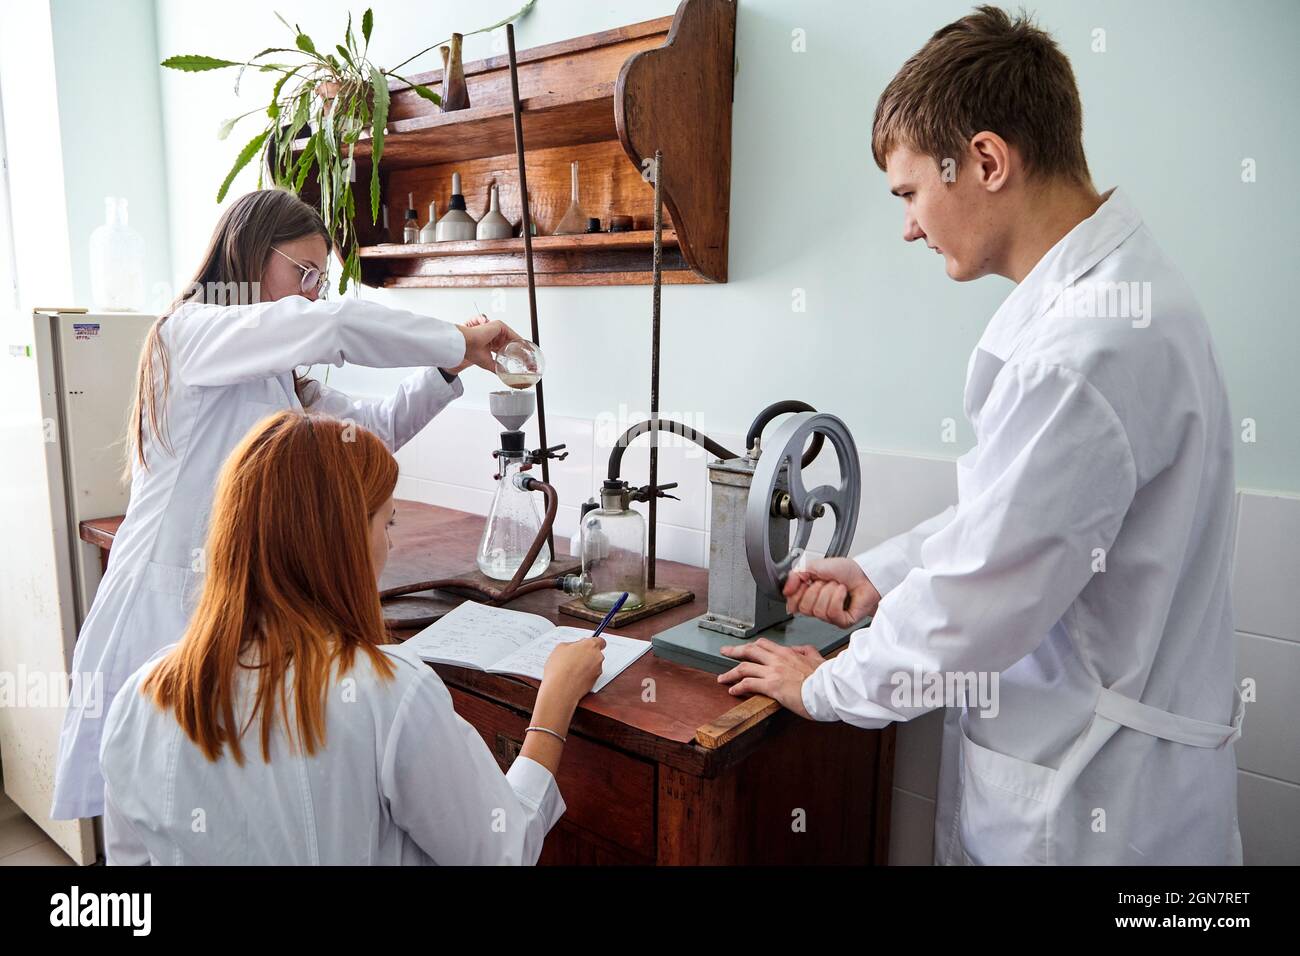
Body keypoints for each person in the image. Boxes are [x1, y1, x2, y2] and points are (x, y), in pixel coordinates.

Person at [717, 6, 1243, 865]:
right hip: (1121, 770)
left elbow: (972, 609)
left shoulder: (1082, 351)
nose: (909, 226)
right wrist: (881, 574)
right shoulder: (1123, 296)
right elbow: (1020, 518)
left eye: (911, 191)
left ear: (987, 160)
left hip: (1093, 805)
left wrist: (827, 685)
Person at [52, 188, 524, 821]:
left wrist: (450, 366)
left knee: (215, 818)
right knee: (155, 812)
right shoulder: (189, 332)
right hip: (164, 609)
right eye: (301, 272)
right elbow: (326, 325)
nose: (310, 291)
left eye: (318, 280)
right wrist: (453, 337)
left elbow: (370, 434)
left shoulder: (280, 379)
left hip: (229, 609)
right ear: (248, 254)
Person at [99, 411, 605, 864]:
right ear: (342, 540)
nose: (388, 542)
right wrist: (553, 707)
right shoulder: (389, 695)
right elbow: (501, 851)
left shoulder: (141, 699)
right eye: (387, 522)